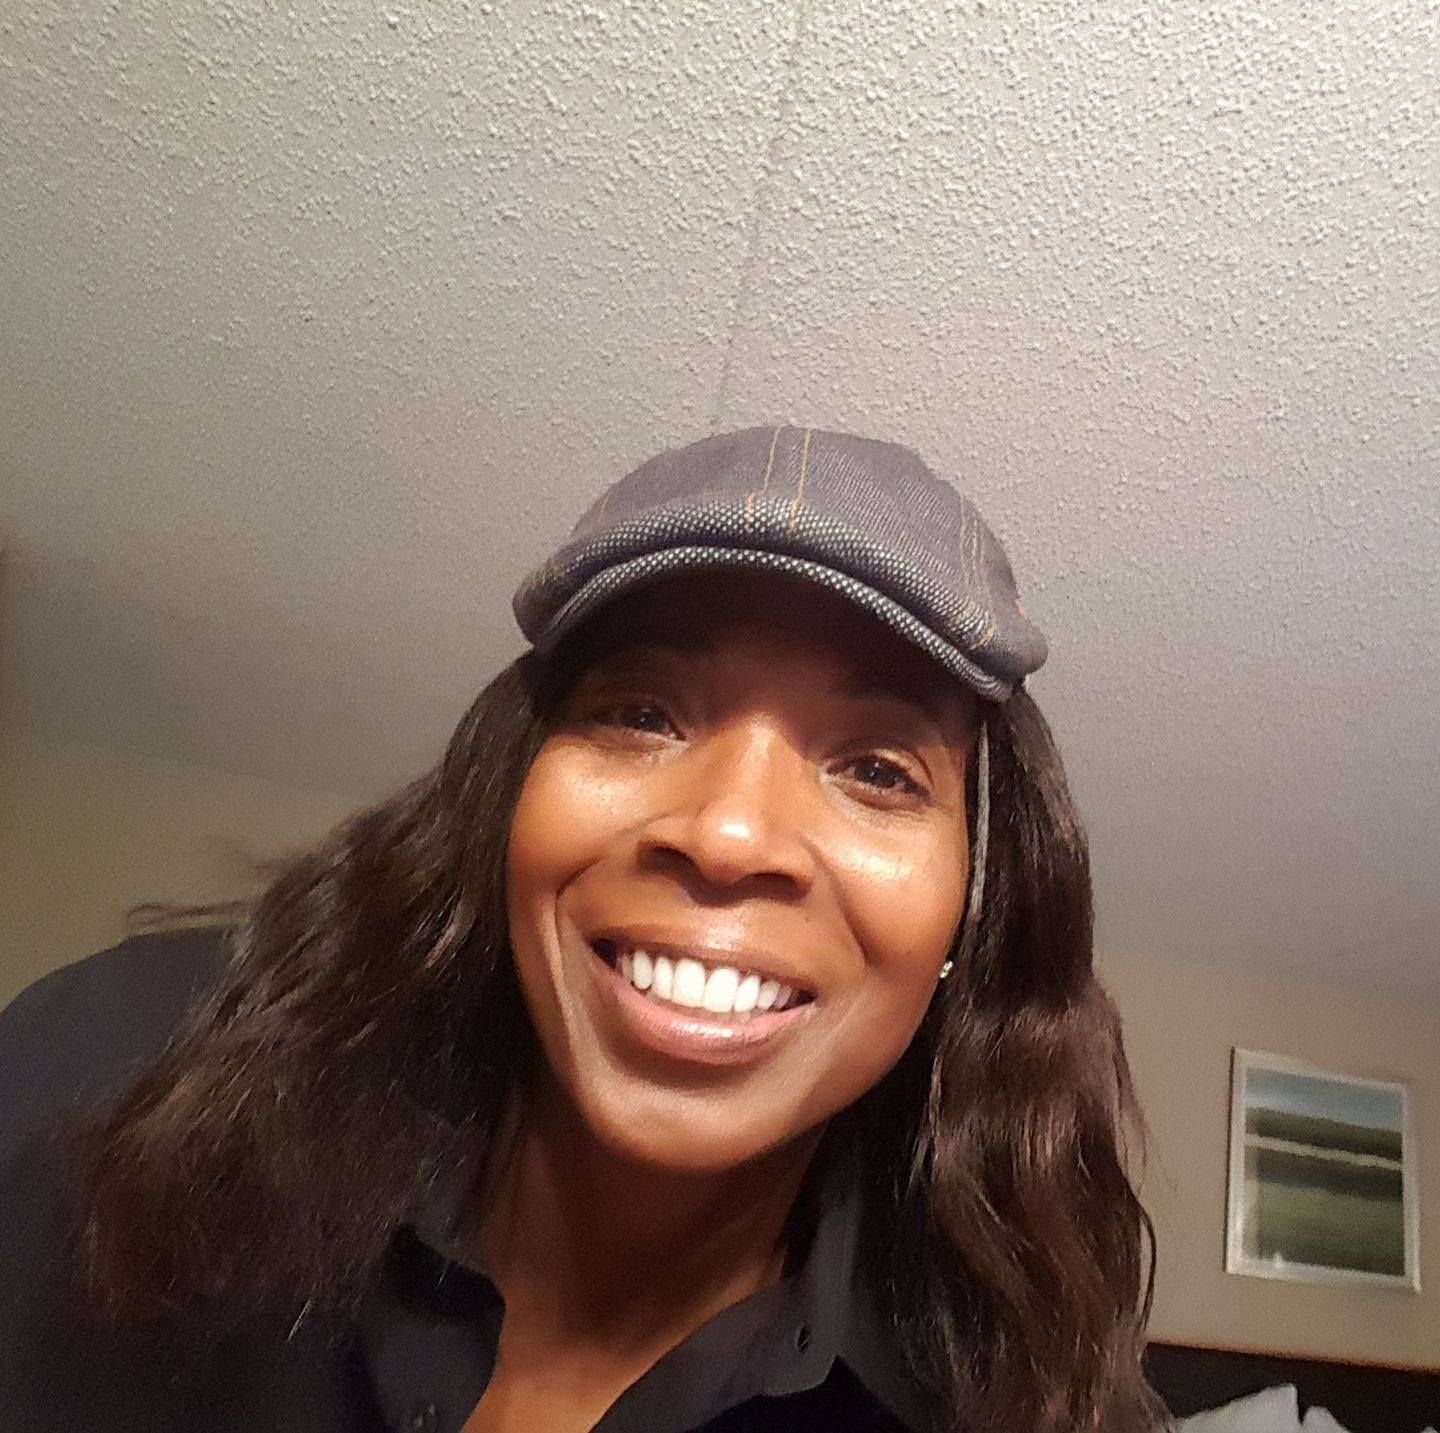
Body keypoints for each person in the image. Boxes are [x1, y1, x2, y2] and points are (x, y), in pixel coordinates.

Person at [0, 427, 1164, 1433]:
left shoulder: (1021, 1403)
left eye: (876, 769)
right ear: (507, 790)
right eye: (642, 713)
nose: (727, 833)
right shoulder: (111, 1067)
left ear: (976, 907)